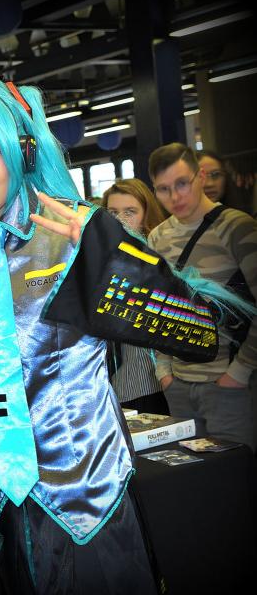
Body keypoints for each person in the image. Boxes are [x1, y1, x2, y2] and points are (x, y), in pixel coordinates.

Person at [0, 77, 236, 593]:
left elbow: (197, 334)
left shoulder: (75, 234)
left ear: (21, 150)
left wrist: (115, 260)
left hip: (89, 500)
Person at [148, 143, 257, 450]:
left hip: (229, 385)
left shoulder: (237, 227)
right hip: (179, 384)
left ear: (201, 177)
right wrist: (164, 372)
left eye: (182, 183)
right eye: (164, 189)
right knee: (191, 473)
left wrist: (238, 373)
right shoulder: (158, 237)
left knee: (235, 471)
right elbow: (157, 310)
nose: (175, 197)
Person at [103, 179, 169, 414]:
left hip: (155, 382)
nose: (120, 219)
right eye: (113, 212)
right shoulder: (104, 256)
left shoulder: (161, 255)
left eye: (130, 212)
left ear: (146, 214)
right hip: (117, 385)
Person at [197, 149, 254, 214]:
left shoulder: (241, 217)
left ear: (226, 177)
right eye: (200, 177)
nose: (209, 184)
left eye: (216, 174)